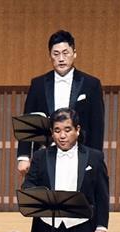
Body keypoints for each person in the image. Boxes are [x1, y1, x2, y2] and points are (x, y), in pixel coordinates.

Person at [16, 30, 106, 172]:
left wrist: (95, 159)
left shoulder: (91, 84)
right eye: (56, 54)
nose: (61, 59)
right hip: (45, 153)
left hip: (80, 154)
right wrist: (23, 156)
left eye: (66, 53)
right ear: (50, 56)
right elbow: (28, 121)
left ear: (74, 53)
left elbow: (97, 126)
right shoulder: (38, 84)